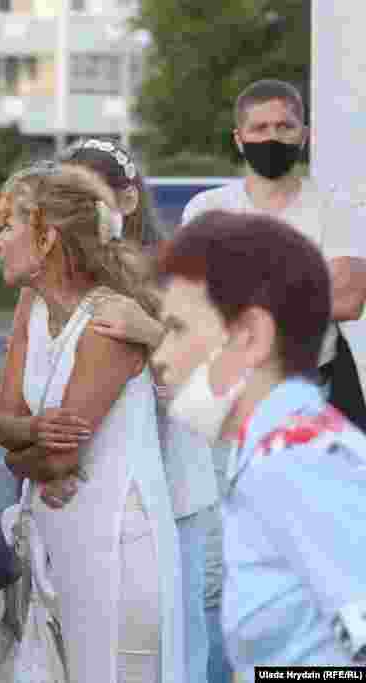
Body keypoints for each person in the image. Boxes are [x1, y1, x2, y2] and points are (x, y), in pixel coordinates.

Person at [180, 78, 366, 683]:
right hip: (226, 408)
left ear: (305, 133)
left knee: (310, 566)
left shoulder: (336, 208)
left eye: (284, 126)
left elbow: (348, 297)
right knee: (224, 566)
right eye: (259, 128)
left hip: (317, 385)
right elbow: (192, 305)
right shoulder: (208, 210)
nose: (272, 138)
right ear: (238, 137)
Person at [152, 209, 366, 672]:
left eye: (178, 328)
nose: (161, 356)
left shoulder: (298, 461)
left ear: (250, 336)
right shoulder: (272, 452)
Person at [0, 161, 182, 683]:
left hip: (115, 549)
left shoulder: (110, 321)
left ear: (47, 237)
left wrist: (21, 454)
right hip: (59, 545)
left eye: (8, 225)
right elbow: (5, 422)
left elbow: (61, 457)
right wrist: (28, 439)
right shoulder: (30, 304)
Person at [58, 138, 218, 683]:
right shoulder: (61, 280)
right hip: (89, 497)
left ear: (127, 202)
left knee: (176, 650)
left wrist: (148, 332)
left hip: (170, 496)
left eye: (88, 197)